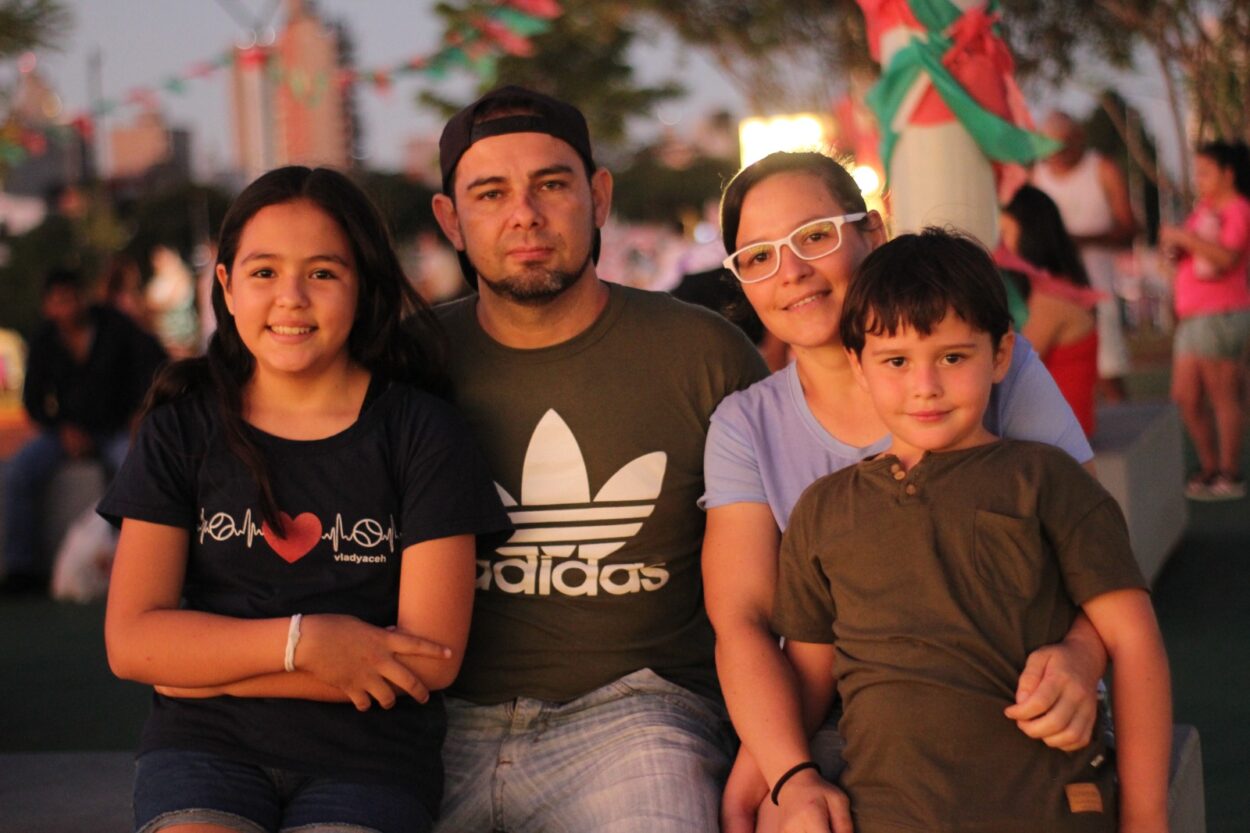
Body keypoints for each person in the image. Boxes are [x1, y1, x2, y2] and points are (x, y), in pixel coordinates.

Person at [704, 151, 1110, 833]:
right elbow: (745, 620)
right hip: (853, 712)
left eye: (815, 236)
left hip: (1017, 691)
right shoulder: (746, 424)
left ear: (874, 232)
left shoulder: (990, 371)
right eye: (758, 257)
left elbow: (1101, 552)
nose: (792, 271)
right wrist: (784, 770)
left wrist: (1081, 653)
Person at [100, 166, 510, 833]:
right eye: (264, 273)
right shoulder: (183, 426)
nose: (291, 298)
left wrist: (204, 668)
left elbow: (430, 658)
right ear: (227, 287)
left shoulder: (422, 432)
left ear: (364, 288)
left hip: (370, 760)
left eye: (322, 273)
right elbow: (132, 641)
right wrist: (308, 642)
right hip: (205, 750)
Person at [429, 85, 769, 831]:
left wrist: (782, 754)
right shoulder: (408, 359)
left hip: (638, 716)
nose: (525, 213)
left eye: (551, 184)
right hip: (434, 726)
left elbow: (792, 567)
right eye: (490, 193)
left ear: (599, 196)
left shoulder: (702, 353)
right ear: (450, 220)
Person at [770, 228, 1171, 833]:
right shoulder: (823, 510)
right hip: (885, 817)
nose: (925, 385)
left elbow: (1135, 641)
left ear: (1001, 354)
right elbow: (806, 678)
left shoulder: (1046, 481)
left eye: (953, 357)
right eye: (896, 361)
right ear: (859, 365)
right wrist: (771, 781)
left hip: (1048, 813)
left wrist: (1146, 818)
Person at [1, 268, 165, 595]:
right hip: (67, 431)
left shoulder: (115, 326)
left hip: (116, 426)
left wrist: (140, 413)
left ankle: (138, 568)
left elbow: (154, 361)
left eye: (72, 298)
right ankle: (20, 569)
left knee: (132, 469)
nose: (67, 308)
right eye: (59, 302)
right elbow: (33, 401)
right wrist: (62, 429)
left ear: (83, 297)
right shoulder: (44, 340)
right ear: (48, 306)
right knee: (18, 472)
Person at [1159, 140, 1250, 501]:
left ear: (1228, 173)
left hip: (1222, 312)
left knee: (1222, 393)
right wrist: (1177, 246)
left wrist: (1184, 237)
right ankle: (1209, 466)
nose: (1198, 179)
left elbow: (1227, 258)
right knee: (1185, 396)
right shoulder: (1204, 210)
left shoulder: (1239, 209)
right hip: (1194, 315)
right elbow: (1194, 253)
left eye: (1205, 172)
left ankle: (1230, 471)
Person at [1034, 111, 1138, 402]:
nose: (1056, 153)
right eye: (1048, 146)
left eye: (1063, 144)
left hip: (1097, 288)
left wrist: (1078, 240)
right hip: (1051, 296)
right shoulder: (1036, 175)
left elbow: (1130, 228)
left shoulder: (1101, 169)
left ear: (1079, 140)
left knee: (1109, 373)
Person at [998, 184, 1102, 436]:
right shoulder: (1057, 288)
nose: (998, 244)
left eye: (1003, 233)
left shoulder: (1050, 301)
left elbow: (1010, 370)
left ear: (1030, 235)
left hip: (1058, 438)